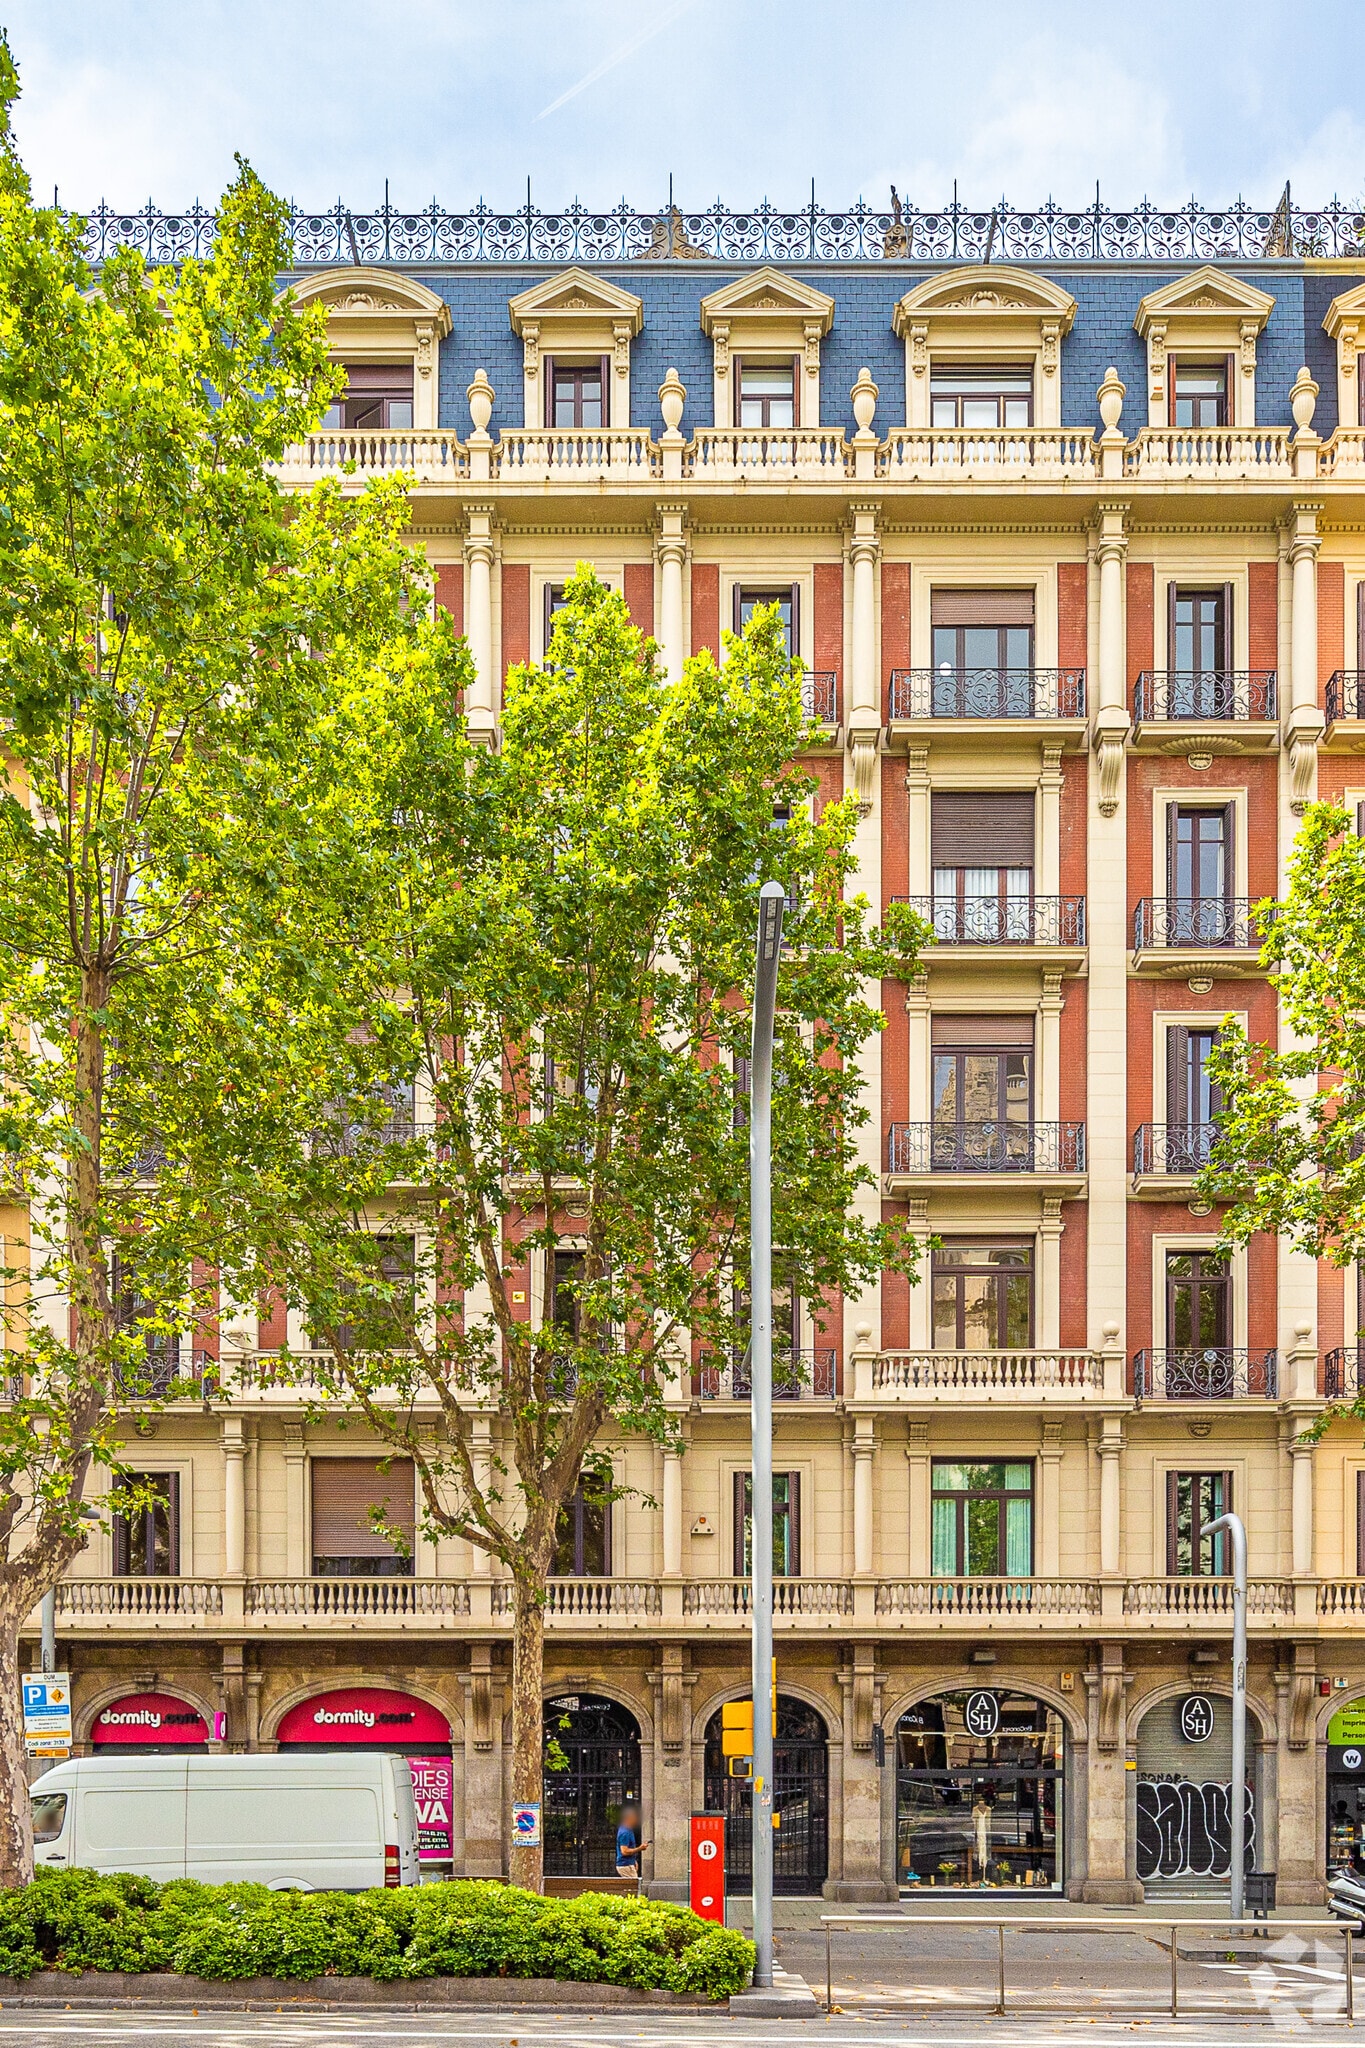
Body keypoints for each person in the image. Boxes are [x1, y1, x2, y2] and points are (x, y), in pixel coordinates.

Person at [615, 1800, 648, 1885]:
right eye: (634, 1818)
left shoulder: (628, 1830)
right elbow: (624, 1851)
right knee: (634, 1888)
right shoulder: (625, 1832)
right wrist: (640, 1848)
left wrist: (633, 1861)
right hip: (625, 1865)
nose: (636, 1820)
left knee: (632, 1888)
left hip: (628, 1863)